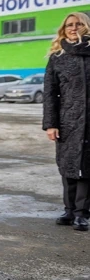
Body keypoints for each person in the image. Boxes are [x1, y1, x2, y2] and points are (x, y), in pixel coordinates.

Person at [43, 12, 90, 232]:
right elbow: (50, 93)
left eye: (79, 24)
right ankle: (69, 210)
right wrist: (51, 124)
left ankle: (83, 214)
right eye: (69, 24)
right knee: (68, 166)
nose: (74, 27)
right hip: (67, 121)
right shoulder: (58, 56)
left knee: (87, 168)